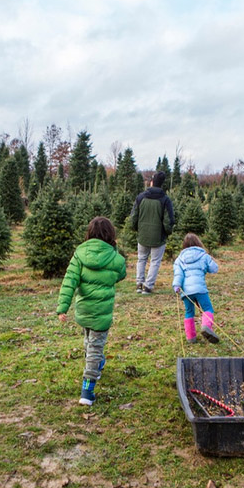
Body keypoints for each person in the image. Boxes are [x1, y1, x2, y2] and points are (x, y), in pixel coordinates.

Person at [56, 217, 126, 406]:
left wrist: (63, 307)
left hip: (84, 310)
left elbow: (69, 282)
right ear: (111, 236)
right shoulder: (115, 258)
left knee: (90, 343)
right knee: (95, 348)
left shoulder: (79, 254)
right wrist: (115, 250)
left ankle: (98, 364)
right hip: (102, 313)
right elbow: (121, 274)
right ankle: (87, 391)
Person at [130, 171, 175, 294]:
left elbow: (134, 216)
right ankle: (148, 286)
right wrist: (167, 232)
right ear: (162, 184)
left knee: (141, 259)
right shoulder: (165, 200)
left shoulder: (140, 197)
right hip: (158, 237)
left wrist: (136, 229)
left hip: (143, 235)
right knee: (155, 261)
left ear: (151, 182)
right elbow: (168, 220)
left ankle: (139, 283)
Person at [172, 233, 219, 343]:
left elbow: (178, 274)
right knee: (207, 309)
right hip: (200, 289)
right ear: (198, 243)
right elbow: (214, 269)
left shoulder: (179, 259)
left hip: (186, 292)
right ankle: (206, 326)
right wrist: (210, 259)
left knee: (189, 312)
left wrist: (176, 285)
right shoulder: (203, 256)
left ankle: (191, 337)